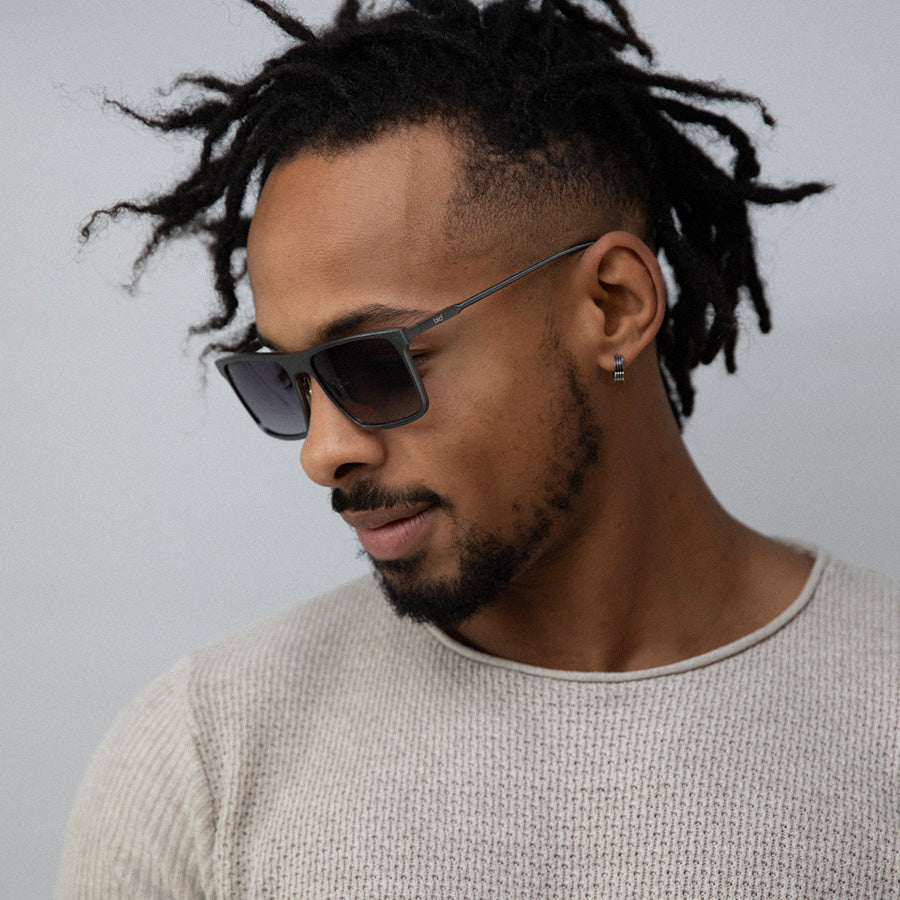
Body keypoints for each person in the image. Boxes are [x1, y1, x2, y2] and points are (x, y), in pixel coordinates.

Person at [57, 0, 898, 895]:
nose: (323, 453)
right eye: (292, 380)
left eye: (375, 363)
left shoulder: (880, 711)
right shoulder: (208, 756)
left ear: (613, 306)